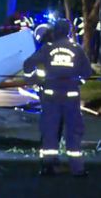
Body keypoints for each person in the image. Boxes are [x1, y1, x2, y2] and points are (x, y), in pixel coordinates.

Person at [23, 19, 92, 177]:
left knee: (50, 129)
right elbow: (87, 72)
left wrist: (34, 80)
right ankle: (77, 168)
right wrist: (77, 82)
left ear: (55, 31)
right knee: (73, 131)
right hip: (71, 97)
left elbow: (28, 64)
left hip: (51, 96)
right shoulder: (76, 49)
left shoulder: (48, 48)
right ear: (68, 31)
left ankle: (48, 165)